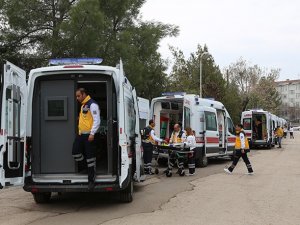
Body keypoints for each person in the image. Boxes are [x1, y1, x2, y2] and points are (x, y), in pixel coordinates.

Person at [72, 88, 100, 190]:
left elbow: (97, 120)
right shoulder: (83, 105)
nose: (77, 98)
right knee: (75, 152)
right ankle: (86, 167)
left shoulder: (92, 104)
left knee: (90, 158)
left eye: (78, 96)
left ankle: (91, 180)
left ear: (84, 94)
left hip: (89, 136)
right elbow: (86, 117)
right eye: (76, 96)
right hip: (81, 135)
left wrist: (92, 134)